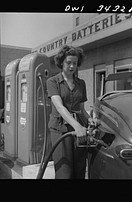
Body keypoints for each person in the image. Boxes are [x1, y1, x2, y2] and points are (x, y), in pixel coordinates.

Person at [46, 45, 94, 179]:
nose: (72, 66)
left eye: (75, 63)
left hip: (79, 132)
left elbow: (82, 109)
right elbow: (60, 108)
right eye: (68, 63)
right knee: (64, 173)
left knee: (79, 170)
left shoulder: (81, 83)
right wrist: (77, 126)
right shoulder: (52, 81)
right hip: (60, 130)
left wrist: (90, 120)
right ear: (61, 62)